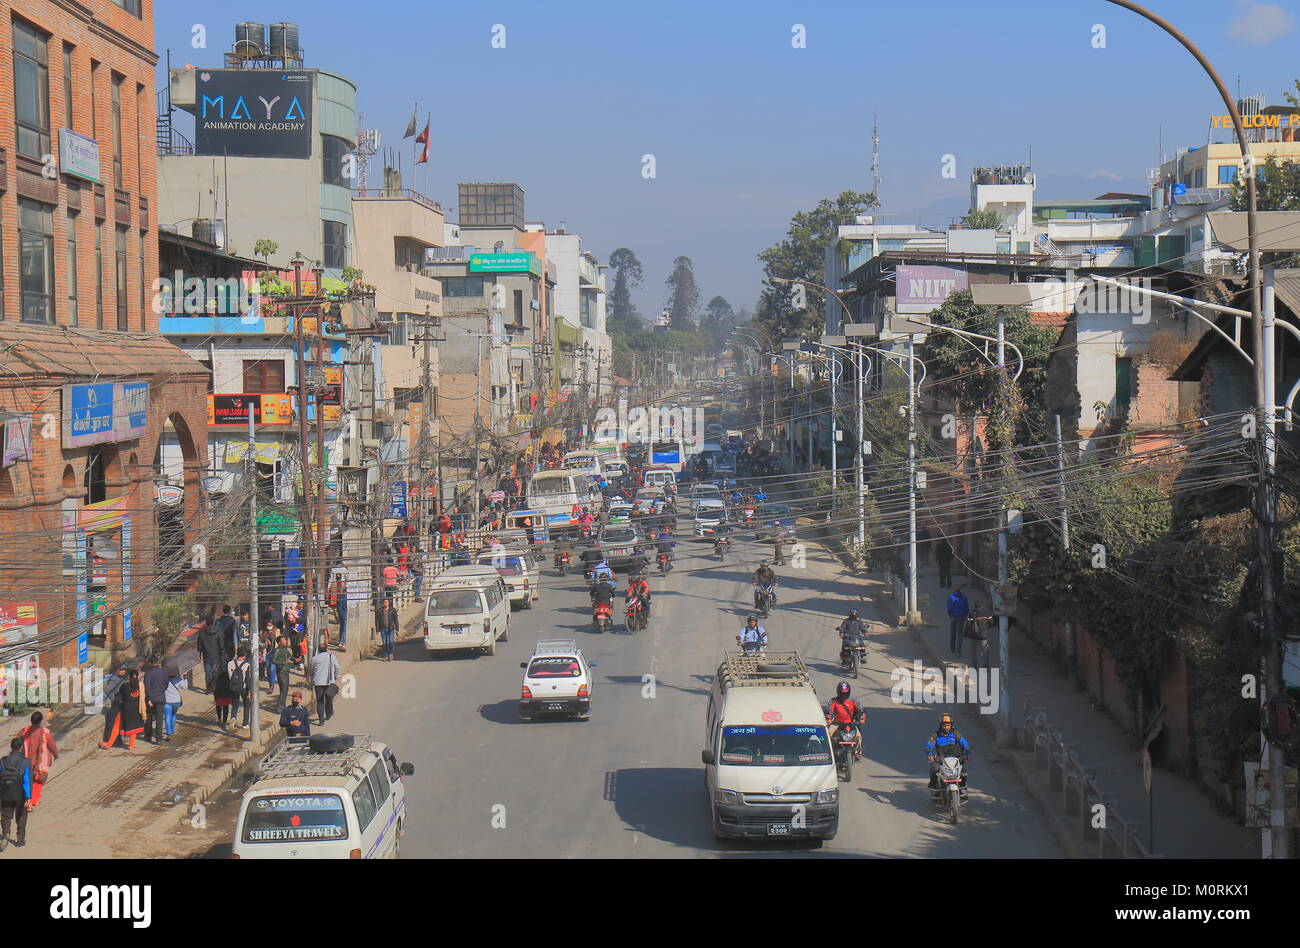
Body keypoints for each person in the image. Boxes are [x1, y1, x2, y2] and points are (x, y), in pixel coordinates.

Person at [925, 713, 971, 796]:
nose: (946, 727)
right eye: (944, 725)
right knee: (934, 770)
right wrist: (930, 754)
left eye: (948, 725)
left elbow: (964, 743)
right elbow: (929, 745)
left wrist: (968, 752)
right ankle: (934, 787)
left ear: (951, 725)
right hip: (941, 759)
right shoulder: (935, 735)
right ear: (941, 725)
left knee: (963, 772)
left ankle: (962, 788)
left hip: (955, 758)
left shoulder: (956, 734)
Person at [18, 712, 58, 807]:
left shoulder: (24, 730)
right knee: (38, 781)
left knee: (28, 780)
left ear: (31, 720)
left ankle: (27, 800)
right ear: (41, 721)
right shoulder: (45, 732)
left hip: (26, 761)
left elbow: (17, 742)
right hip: (41, 763)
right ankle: (33, 801)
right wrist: (55, 754)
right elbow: (51, 745)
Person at [0, 737, 31, 848]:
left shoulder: (3, 761)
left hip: (6, 793)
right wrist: (28, 797)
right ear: (21, 747)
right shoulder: (25, 762)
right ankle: (20, 840)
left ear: (11, 747)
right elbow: (27, 780)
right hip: (21, 794)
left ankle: (6, 833)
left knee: (6, 815)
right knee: (21, 816)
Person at [826, 682, 865, 760]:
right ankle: (830, 753)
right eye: (842, 693)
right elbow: (828, 710)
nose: (844, 695)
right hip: (837, 724)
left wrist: (862, 719)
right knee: (829, 735)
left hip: (850, 724)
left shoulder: (854, 700)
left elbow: (861, 710)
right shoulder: (833, 701)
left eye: (845, 693)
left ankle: (858, 752)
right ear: (838, 692)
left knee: (858, 736)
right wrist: (829, 719)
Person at [109, 670, 147, 751]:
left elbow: (120, 695)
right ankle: (131, 745)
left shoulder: (124, 686)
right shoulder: (140, 686)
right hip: (136, 708)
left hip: (125, 708)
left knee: (117, 725)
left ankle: (109, 744)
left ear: (129, 677)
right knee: (134, 726)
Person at [310, 644, 341, 726]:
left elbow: (311, 669)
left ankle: (321, 721)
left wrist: (311, 678)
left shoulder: (315, 658)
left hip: (318, 683)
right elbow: (337, 667)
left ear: (319, 650)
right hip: (329, 682)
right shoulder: (332, 657)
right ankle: (328, 714)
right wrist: (336, 675)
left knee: (320, 701)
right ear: (326, 649)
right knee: (329, 699)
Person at [99, 662, 127, 748]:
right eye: (121, 670)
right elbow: (107, 690)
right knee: (113, 722)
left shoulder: (121, 678)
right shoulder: (114, 678)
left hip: (121, 703)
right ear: (117, 670)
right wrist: (114, 699)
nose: (123, 671)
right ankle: (110, 740)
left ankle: (118, 740)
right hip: (116, 703)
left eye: (124, 670)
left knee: (119, 723)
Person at [197, 617, 226, 694]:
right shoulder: (218, 632)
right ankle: (214, 687)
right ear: (213, 623)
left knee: (208, 673)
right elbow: (221, 645)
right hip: (216, 656)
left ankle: (208, 688)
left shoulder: (202, 633)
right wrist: (222, 651)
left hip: (206, 656)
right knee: (216, 673)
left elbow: (199, 646)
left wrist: (199, 654)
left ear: (206, 623)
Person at [144, 657, 169, 745]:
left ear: (150, 663)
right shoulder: (164, 672)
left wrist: (149, 698)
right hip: (161, 697)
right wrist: (161, 690)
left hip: (151, 698)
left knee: (149, 717)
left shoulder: (148, 673)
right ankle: (158, 738)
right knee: (159, 719)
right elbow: (166, 684)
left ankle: (148, 735)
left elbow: (147, 687)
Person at [228, 646, 253, 729]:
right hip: (244, 688)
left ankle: (233, 717)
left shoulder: (230, 663)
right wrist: (249, 692)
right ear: (245, 655)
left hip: (233, 686)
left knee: (235, 704)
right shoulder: (247, 665)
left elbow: (229, 676)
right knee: (246, 705)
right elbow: (248, 679)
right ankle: (245, 723)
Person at [271, 635, 295, 711]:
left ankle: (283, 705)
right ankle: (279, 706)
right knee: (284, 690)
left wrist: (296, 660)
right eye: (283, 640)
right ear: (279, 643)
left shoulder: (285, 649)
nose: (285, 641)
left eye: (285, 640)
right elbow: (273, 660)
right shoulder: (277, 650)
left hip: (286, 671)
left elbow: (290, 656)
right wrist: (283, 662)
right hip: (281, 672)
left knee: (284, 690)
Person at [213, 660, 236, 732]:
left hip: (218, 691)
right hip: (226, 692)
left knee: (218, 706)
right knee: (226, 707)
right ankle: (224, 722)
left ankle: (219, 719)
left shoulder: (217, 674)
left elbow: (214, 684)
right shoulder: (228, 674)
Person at [947, 586, 971, 655]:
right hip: (961, 617)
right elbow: (966, 608)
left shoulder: (951, 597)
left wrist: (950, 615)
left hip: (953, 617)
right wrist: (964, 617)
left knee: (952, 633)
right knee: (959, 634)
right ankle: (958, 651)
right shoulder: (964, 597)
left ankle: (952, 648)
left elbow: (949, 608)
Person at [162, 670, 184, 741]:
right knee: (173, 715)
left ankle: (169, 733)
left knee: (167, 716)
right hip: (176, 701)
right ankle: (172, 728)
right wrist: (185, 678)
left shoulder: (163, 680)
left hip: (167, 701)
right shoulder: (178, 679)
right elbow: (185, 687)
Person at [376, 597, 399, 662]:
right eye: (384, 602)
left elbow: (396, 620)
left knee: (391, 641)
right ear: (382, 603)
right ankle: (386, 655)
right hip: (383, 629)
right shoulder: (379, 611)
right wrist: (377, 630)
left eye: (387, 602)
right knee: (385, 642)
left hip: (391, 628)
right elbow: (377, 620)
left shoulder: (392, 610)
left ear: (389, 603)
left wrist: (397, 629)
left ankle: (391, 654)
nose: (385, 604)